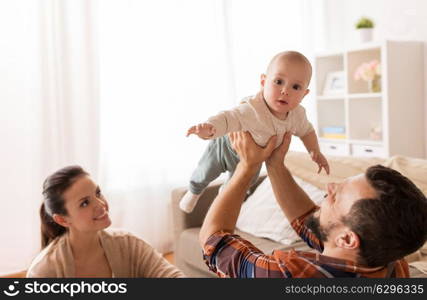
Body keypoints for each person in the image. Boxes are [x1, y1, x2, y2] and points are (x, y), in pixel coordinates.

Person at [199, 131, 427, 278]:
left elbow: (213, 241)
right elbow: (311, 222)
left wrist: (246, 168)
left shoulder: (291, 275)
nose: (329, 187)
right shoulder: (392, 264)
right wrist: (275, 164)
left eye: (336, 196)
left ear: (347, 239)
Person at [181, 51, 329, 213]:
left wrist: (315, 151)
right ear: (263, 82)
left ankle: (224, 196)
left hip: (255, 158)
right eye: (278, 82)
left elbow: (307, 131)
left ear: (304, 94)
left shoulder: (297, 115)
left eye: (296, 87)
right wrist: (209, 128)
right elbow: (228, 118)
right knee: (206, 170)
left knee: (245, 185)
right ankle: (194, 192)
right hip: (225, 148)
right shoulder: (253, 109)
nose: (285, 90)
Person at [27, 165, 184, 278]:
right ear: (62, 219)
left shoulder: (127, 243)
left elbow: (170, 275)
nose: (100, 205)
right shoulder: (44, 271)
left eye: (98, 193)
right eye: (85, 203)